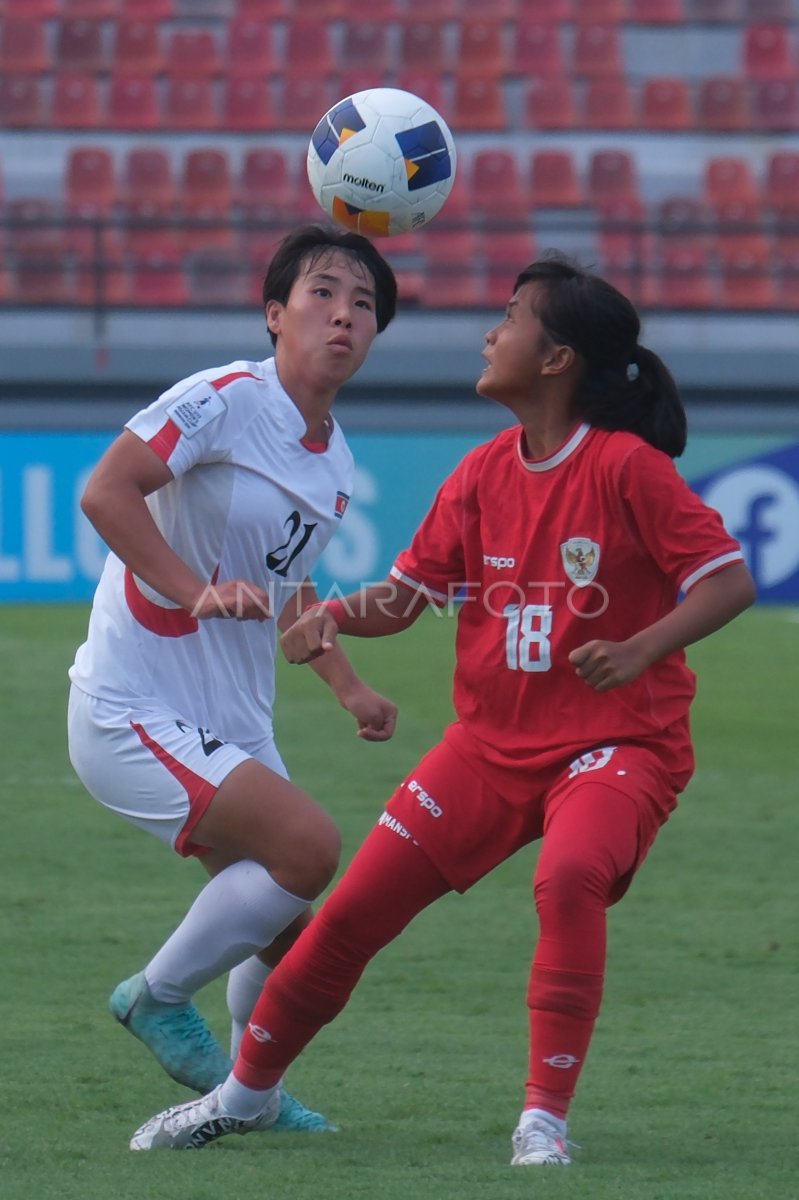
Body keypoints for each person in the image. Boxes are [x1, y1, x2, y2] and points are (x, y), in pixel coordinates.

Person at [128, 253, 756, 1162]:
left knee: (568, 877)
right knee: (348, 917)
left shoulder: (626, 468)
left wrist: (639, 648)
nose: (489, 332)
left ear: (555, 360)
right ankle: (245, 1095)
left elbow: (728, 579)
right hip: (490, 748)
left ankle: (542, 1120)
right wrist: (332, 616)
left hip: (619, 744)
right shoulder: (479, 474)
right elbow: (410, 597)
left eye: (509, 316)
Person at [67, 224, 400, 1132]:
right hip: (132, 705)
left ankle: (246, 1099)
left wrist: (347, 685)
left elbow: (289, 595)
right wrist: (194, 592)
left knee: (289, 935)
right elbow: (105, 492)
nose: (344, 315)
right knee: (309, 849)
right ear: (273, 313)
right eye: (323, 293)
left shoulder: (336, 462)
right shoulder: (219, 399)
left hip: (232, 717)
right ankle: (157, 996)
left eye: (364, 303)